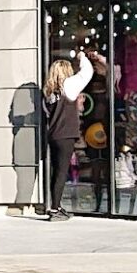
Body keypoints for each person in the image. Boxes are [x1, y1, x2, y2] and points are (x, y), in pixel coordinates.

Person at [42, 49, 95, 219]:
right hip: (66, 135)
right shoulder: (69, 86)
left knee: (57, 171)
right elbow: (87, 72)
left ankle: (54, 205)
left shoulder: (49, 93)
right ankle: (55, 209)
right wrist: (82, 57)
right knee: (62, 172)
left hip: (54, 135)